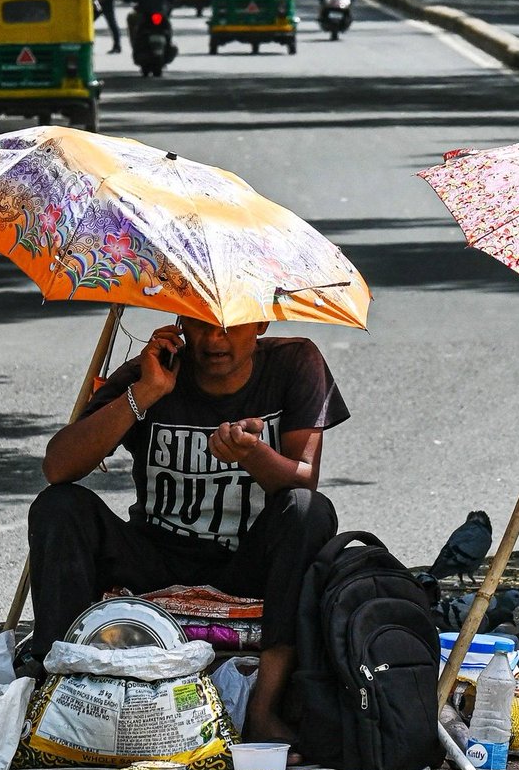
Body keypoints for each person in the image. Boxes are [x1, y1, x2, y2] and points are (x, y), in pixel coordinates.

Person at [25, 317, 348, 747]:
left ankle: (264, 707)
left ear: (262, 323)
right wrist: (145, 392)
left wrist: (252, 454)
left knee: (310, 511)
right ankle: (56, 687)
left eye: (232, 326)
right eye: (200, 325)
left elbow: (303, 479)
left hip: (245, 564)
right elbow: (58, 467)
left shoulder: (295, 362)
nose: (215, 340)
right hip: (155, 558)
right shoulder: (155, 369)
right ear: (180, 324)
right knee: (59, 507)